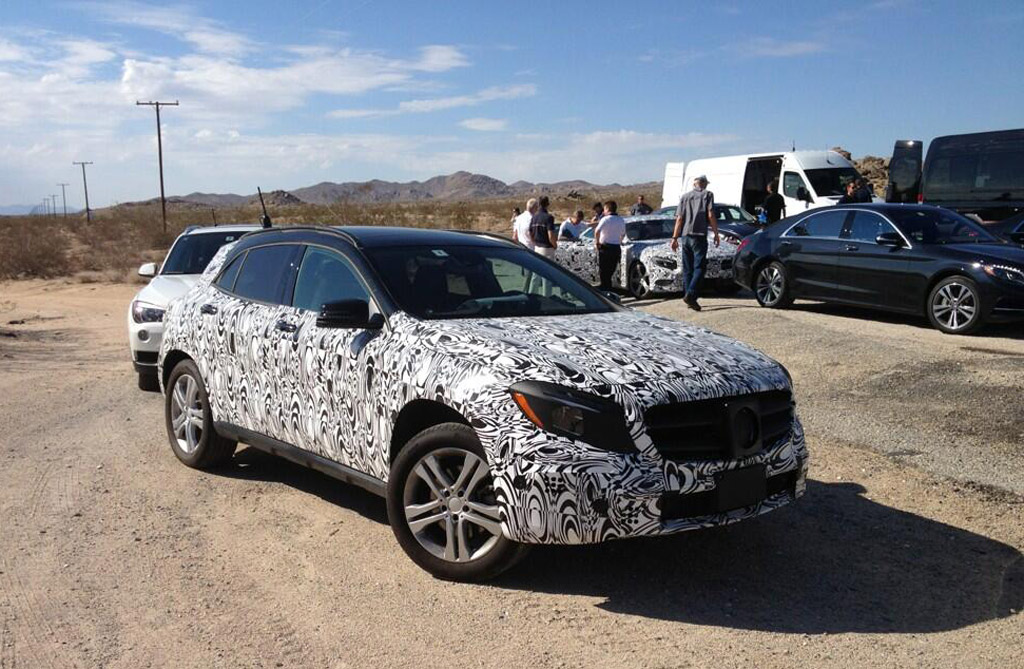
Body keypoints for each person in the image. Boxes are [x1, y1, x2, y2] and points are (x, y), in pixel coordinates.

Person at [671, 175, 719, 311]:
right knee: (700, 267)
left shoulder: (685, 197)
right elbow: (710, 214)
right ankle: (691, 295)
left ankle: (688, 296)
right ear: (703, 184)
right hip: (699, 235)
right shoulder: (708, 195)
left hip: (685, 235)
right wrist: (716, 233)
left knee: (688, 268)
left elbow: (679, 218)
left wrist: (674, 237)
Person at [594, 200, 626, 290]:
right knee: (611, 269)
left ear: (607, 209)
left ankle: (605, 287)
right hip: (615, 247)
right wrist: (619, 241)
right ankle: (608, 287)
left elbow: (597, 231)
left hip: (605, 247)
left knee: (604, 270)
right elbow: (623, 234)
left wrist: (597, 242)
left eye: (604, 209)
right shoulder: (621, 219)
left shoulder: (605, 219)